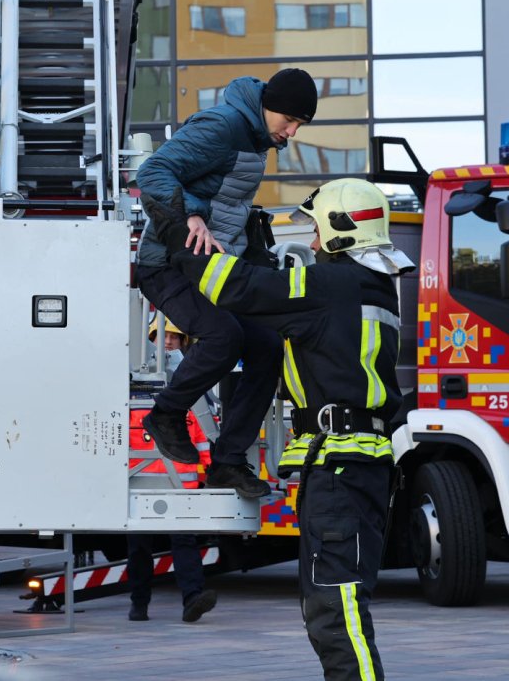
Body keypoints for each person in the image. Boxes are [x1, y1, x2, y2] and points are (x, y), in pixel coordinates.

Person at [144, 178, 413, 680]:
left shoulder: (331, 286)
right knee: (336, 608)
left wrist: (176, 230)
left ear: (340, 229)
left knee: (337, 611)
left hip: (340, 471)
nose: (311, 244)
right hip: (356, 466)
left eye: (315, 231)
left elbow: (236, 287)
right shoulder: (374, 287)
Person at [135, 69, 318, 498]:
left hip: (213, 267)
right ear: (267, 105)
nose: (291, 132)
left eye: (299, 125)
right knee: (224, 337)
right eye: (289, 120)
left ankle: (228, 462)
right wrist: (192, 212)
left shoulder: (257, 137)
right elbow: (153, 173)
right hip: (166, 266)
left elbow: (226, 201)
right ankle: (165, 414)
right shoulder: (224, 126)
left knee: (267, 347)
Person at [128, 318, 217, 624]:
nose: (168, 342)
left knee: (184, 542)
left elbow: (201, 436)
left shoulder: (191, 392)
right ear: (148, 339)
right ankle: (139, 605)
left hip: (180, 485)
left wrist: (208, 474)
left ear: (184, 344)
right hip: (139, 484)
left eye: (175, 338)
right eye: (162, 336)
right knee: (139, 548)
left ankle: (193, 599)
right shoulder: (131, 389)